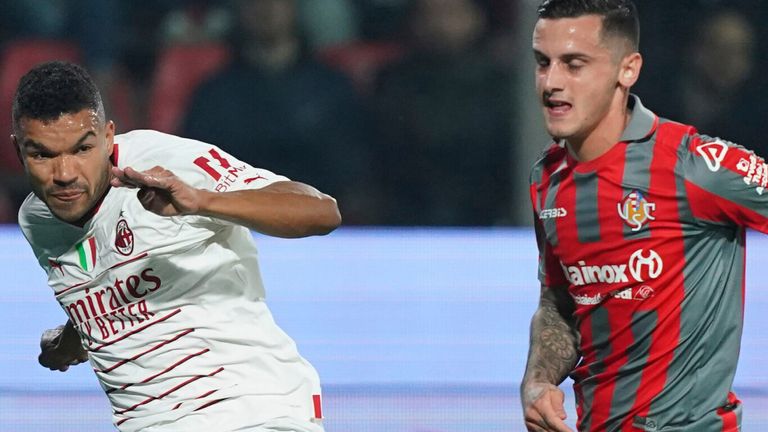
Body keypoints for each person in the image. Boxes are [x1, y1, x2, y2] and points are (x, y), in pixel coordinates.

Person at [14, 61, 340, 431]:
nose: (65, 173)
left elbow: (321, 212)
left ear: (108, 137)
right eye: (43, 154)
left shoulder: (167, 164)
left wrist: (201, 201)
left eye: (82, 149)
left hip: (248, 412)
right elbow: (105, 287)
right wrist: (71, 342)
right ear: (19, 151)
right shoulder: (37, 220)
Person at [521, 1, 762, 431]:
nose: (551, 82)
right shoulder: (548, 178)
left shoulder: (694, 165)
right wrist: (538, 381)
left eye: (574, 65)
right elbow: (560, 301)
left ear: (627, 69)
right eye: (543, 63)